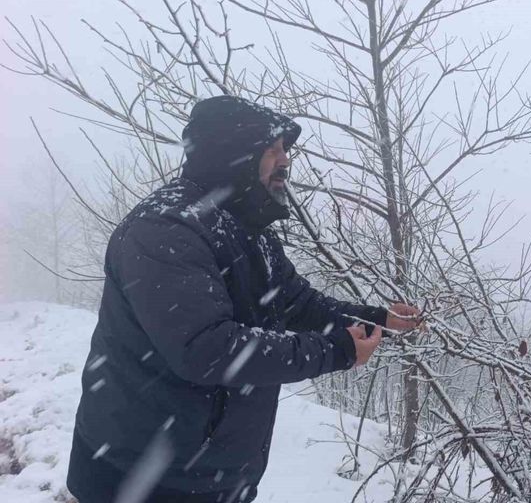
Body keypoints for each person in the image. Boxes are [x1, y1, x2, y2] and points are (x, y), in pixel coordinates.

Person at [66, 95, 420, 502]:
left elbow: (300, 305)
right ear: (232, 154)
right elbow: (206, 349)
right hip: (139, 479)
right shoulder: (165, 229)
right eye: (273, 150)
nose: (285, 161)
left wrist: (379, 318)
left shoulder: (249, 234)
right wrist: (335, 351)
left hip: (215, 474)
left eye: (286, 150)